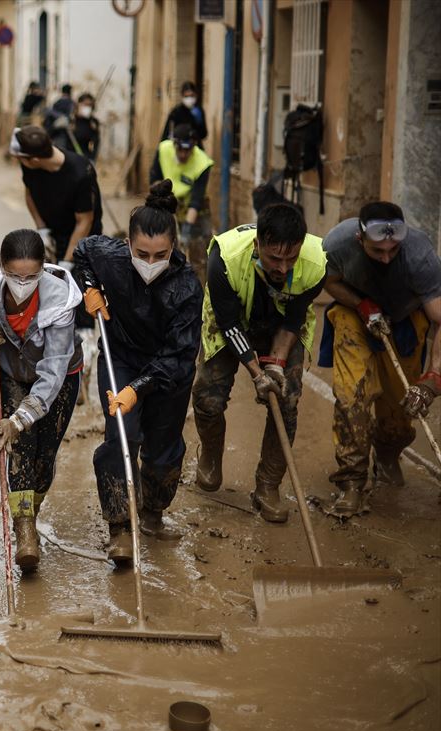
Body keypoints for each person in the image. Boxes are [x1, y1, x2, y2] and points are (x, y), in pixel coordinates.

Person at [72, 182, 203, 565]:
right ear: (127, 244)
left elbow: (181, 356)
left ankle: (152, 512)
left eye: (160, 254)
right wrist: (90, 288)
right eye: (141, 253)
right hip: (122, 357)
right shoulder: (109, 256)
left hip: (168, 375)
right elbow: (83, 252)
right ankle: (119, 526)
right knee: (122, 440)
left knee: (163, 454)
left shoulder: (187, 287)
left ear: (174, 247)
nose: (150, 262)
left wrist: (137, 389)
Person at [192, 204, 326, 523]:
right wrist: (256, 373)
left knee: (287, 398)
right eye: (274, 258)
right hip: (232, 319)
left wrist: (275, 367)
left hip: (281, 320)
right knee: (208, 397)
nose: (282, 267)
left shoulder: (318, 262)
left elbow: (294, 320)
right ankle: (210, 454)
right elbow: (230, 326)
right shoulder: (224, 257)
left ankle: (268, 486)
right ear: (257, 245)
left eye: (290, 259)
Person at [0, 230, 83, 571]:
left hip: (60, 379)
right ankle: (24, 529)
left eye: (31, 276)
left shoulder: (60, 300)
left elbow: (52, 371)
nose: (23, 283)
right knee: (18, 450)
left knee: (44, 456)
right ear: (1, 267)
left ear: (43, 269)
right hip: (12, 376)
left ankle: (30, 509)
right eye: (15, 276)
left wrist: (19, 419)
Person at [320, 202, 441, 516]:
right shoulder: (337, 244)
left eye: (393, 250)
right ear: (361, 240)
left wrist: (432, 378)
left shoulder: (420, 255)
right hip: (354, 316)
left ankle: (387, 455)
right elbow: (330, 283)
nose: (386, 257)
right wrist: (362, 305)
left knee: (401, 409)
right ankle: (351, 481)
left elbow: (440, 319)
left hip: (406, 318)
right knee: (352, 395)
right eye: (377, 251)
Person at [10, 126, 104, 268]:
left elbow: (84, 221)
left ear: (34, 160)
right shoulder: (30, 162)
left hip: (83, 242)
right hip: (54, 237)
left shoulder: (81, 173)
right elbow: (29, 192)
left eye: (20, 159)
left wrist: (66, 262)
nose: (20, 162)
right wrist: (42, 229)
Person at [149, 124, 213, 250]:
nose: (183, 154)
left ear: (194, 146)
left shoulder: (203, 163)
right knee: (168, 242)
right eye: (180, 150)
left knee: (199, 244)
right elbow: (154, 179)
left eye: (187, 151)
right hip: (170, 198)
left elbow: (197, 198)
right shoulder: (163, 149)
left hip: (195, 207)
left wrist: (187, 227)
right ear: (174, 145)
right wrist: (160, 205)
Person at [71, 93, 100, 162]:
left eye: (90, 105)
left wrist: (92, 159)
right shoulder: (71, 121)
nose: (87, 108)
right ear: (78, 104)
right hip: (70, 157)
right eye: (85, 105)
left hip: (84, 158)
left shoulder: (93, 123)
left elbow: (95, 143)